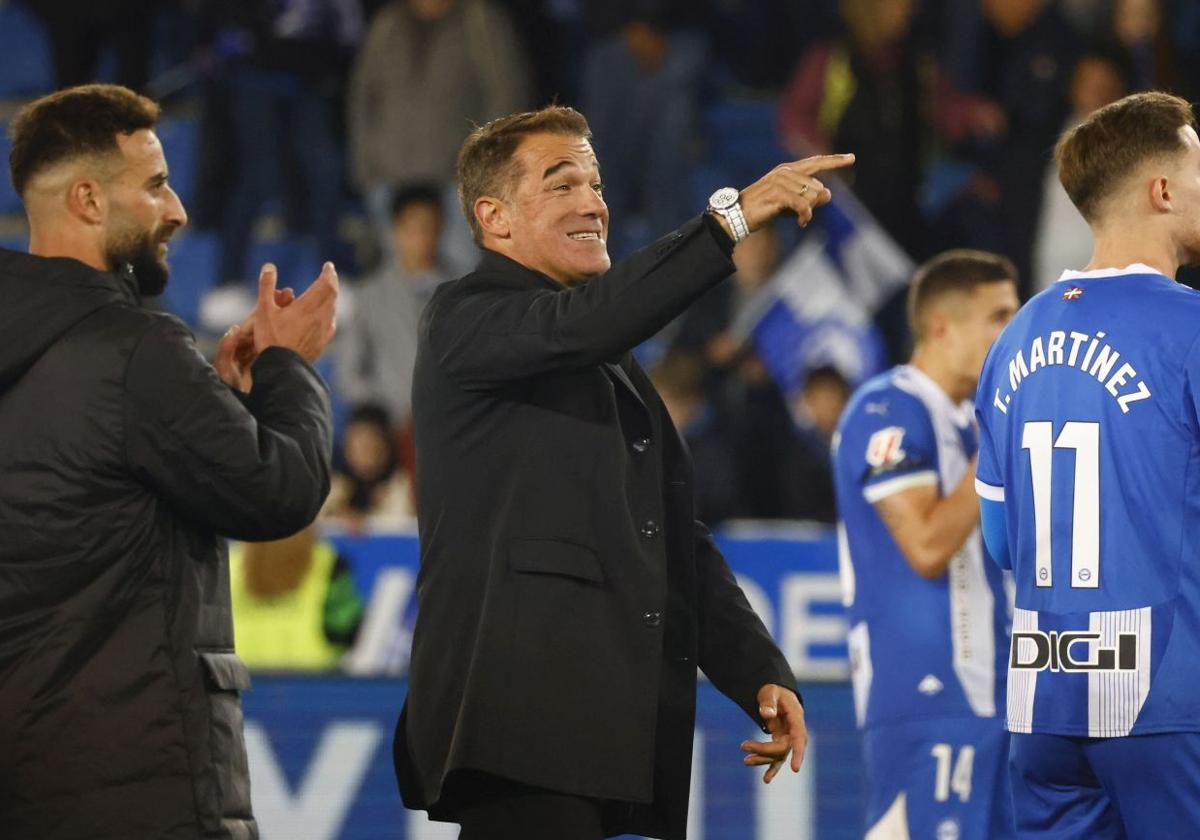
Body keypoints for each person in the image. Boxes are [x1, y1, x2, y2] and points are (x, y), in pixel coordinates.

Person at [399, 104, 854, 839]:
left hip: (591, 733)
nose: (593, 202)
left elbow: (676, 536)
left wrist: (758, 670)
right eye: (561, 182)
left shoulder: (614, 368)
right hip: (516, 728)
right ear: (495, 217)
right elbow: (588, 322)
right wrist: (731, 221)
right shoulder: (464, 317)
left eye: (597, 181)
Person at [0, 84, 338, 839]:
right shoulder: (134, 351)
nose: (179, 209)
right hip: (140, 787)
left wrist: (212, 402)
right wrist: (287, 368)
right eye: (155, 185)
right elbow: (279, 490)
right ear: (88, 200)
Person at [974, 90, 1200, 838]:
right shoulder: (1189, 329)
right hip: (1170, 706)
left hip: (1043, 703)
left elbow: (1003, 544)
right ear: (1162, 189)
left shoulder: (1013, 340)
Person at [833, 250, 1019, 839]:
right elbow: (927, 545)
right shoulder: (884, 408)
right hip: (927, 698)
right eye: (999, 316)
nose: (1013, 333)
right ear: (942, 325)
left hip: (1000, 697)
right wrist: (999, 439)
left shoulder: (970, 421)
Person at [335, 183, 451, 423]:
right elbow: (349, 374)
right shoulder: (367, 295)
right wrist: (383, 413)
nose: (423, 238)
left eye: (430, 227)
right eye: (414, 228)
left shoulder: (465, 289)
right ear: (395, 230)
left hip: (452, 424)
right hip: (389, 427)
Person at [230, 525, 365, 670]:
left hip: (242, 680)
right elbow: (344, 628)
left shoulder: (228, 562)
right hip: (313, 682)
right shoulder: (329, 562)